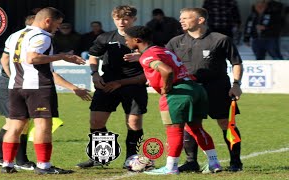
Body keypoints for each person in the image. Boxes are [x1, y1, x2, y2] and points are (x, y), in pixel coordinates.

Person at [124, 25, 222, 175]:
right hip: (195, 88)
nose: (126, 42)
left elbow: (167, 70)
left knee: (174, 130)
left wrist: (165, 87)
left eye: (127, 39)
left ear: (136, 40)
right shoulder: (162, 49)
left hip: (178, 93)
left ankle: (171, 167)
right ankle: (214, 163)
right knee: (196, 128)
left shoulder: (147, 56)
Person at [1, 7, 89, 174]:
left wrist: (14, 76)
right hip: (38, 87)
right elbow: (32, 58)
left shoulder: (14, 35)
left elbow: (4, 59)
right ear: (48, 21)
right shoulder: (42, 36)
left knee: (15, 126)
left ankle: (7, 164)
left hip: (15, 86)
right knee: (43, 126)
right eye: (57, 24)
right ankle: (44, 166)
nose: (58, 28)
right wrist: (62, 56)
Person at [166, 8, 244, 172]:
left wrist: (236, 84)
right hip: (188, 90)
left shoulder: (220, 39)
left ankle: (236, 163)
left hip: (217, 88)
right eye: (181, 18)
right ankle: (191, 162)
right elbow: (163, 61)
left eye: (186, 18)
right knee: (190, 125)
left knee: (226, 124)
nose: (181, 21)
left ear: (200, 20)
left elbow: (236, 63)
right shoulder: (175, 41)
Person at [75, 5, 148, 168]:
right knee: (96, 121)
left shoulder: (144, 38)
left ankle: (132, 159)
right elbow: (93, 56)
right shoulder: (104, 37)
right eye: (118, 18)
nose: (122, 22)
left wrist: (142, 55)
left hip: (134, 85)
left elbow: (157, 55)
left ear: (134, 19)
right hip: (107, 84)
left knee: (134, 123)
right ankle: (100, 158)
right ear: (113, 19)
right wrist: (94, 74)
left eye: (126, 18)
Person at [0, 15, 36, 171]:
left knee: (12, 124)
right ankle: (21, 161)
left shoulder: (17, 36)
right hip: (6, 84)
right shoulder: (27, 37)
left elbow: (4, 58)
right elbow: (4, 59)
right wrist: (13, 78)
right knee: (20, 123)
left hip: (8, 83)